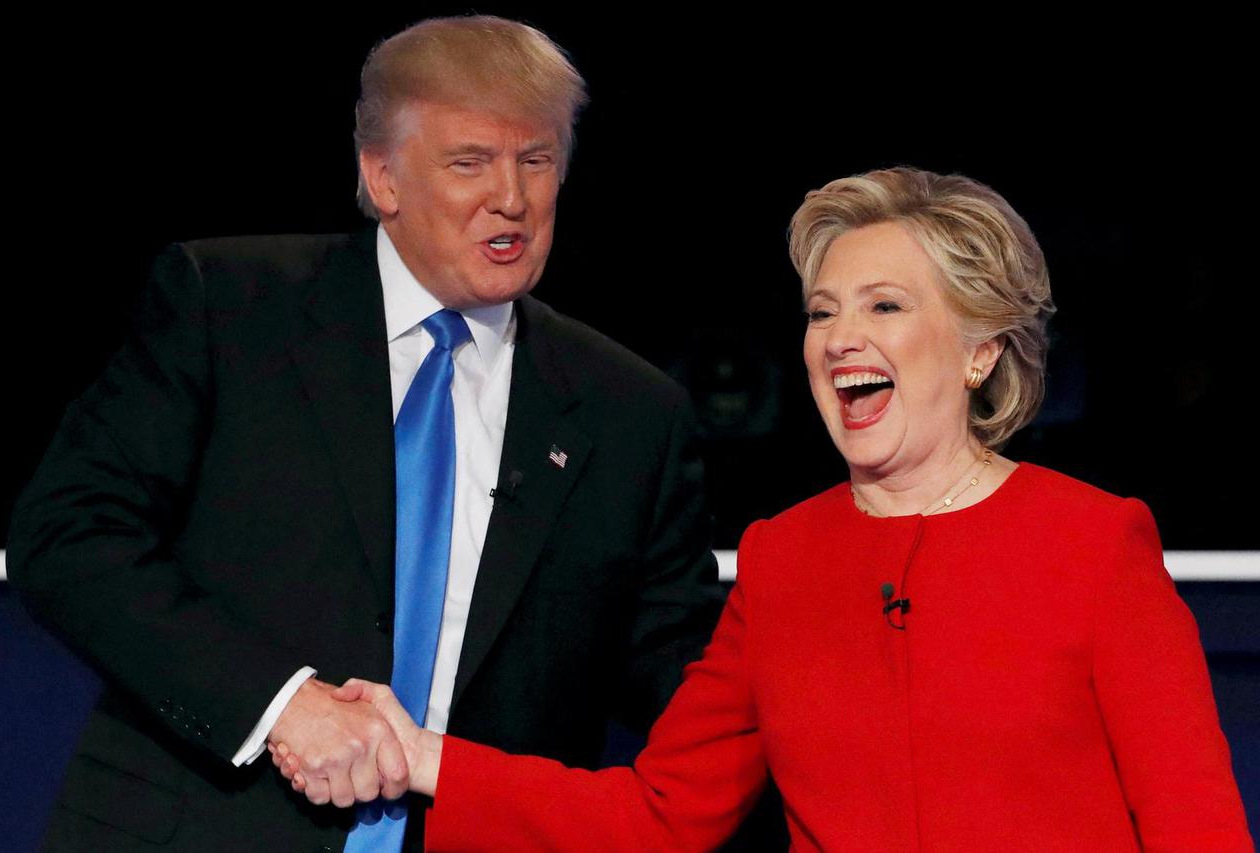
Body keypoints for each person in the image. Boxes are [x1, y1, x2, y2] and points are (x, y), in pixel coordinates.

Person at [281, 167, 1255, 851]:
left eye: (883, 306)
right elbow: (659, 814)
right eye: (821, 310)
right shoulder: (783, 558)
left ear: (978, 351)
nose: (839, 338)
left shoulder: (1092, 544)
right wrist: (424, 759)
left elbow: (1196, 831)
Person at [6, 16, 724, 852]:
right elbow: (69, 536)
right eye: (470, 162)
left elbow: (683, 676)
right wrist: (281, 701)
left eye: (536, 160)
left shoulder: (629, 411)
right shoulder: (230, 309)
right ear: (382, 177)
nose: (512, 197)